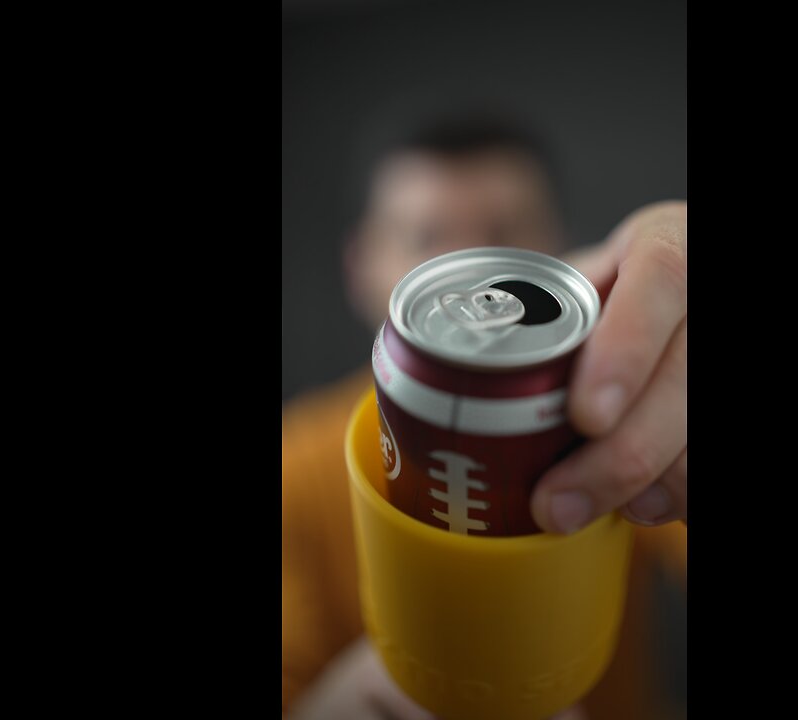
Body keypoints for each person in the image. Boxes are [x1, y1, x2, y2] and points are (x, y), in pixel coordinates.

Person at [282, 112, 687, 719]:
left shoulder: (636, 415)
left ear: (564, 248)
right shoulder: (293, 467)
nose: (472, 268)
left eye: (504, 233)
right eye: (426, 237)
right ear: (359, 265)